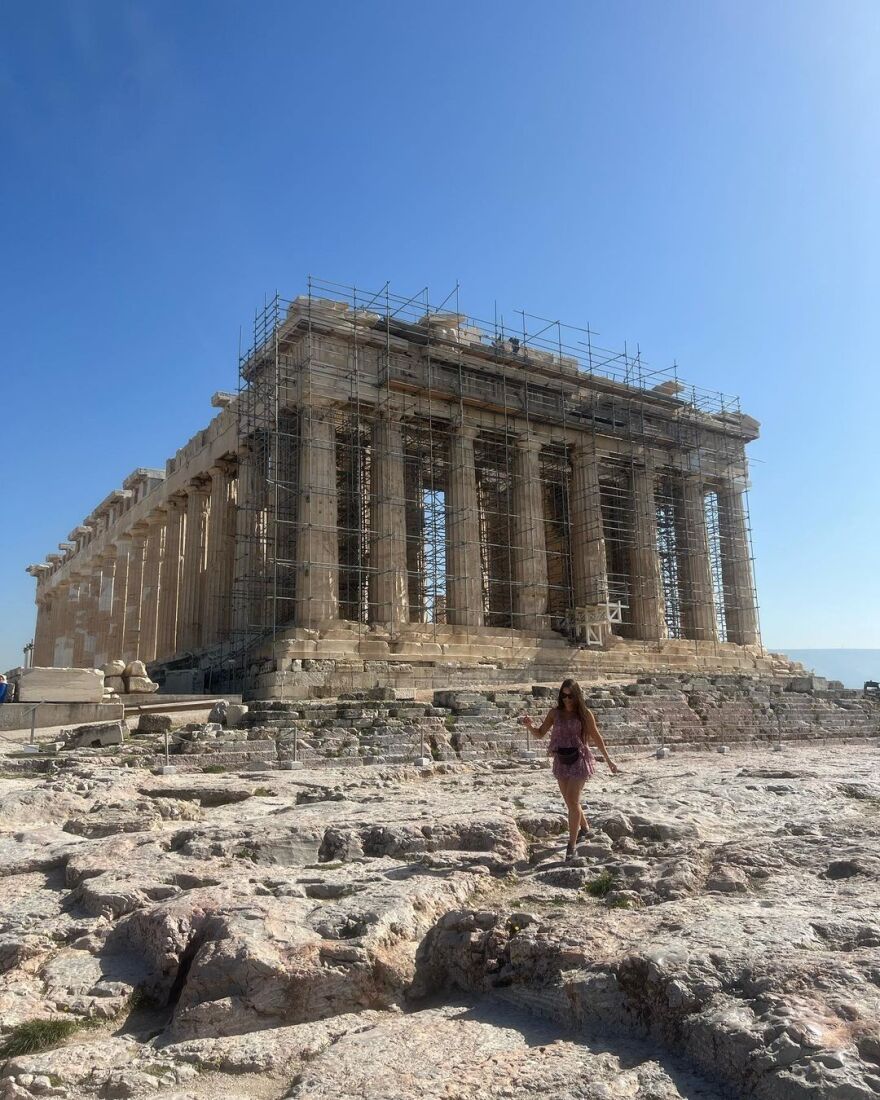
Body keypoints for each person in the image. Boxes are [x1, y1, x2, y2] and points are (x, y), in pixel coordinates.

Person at [520, 678, 619, 861]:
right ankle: (585, 828)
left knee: (573, 800)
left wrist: (609, 760)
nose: (567, 699)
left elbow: (596, 737)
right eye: (563, 695)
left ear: (577, 695)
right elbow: (540, 733)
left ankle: (571, 845)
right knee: (570, 801)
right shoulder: (554, 713)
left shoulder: (584, 714)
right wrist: (529, 726)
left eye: (570, 695)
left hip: (579, 759)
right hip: (561, 759)